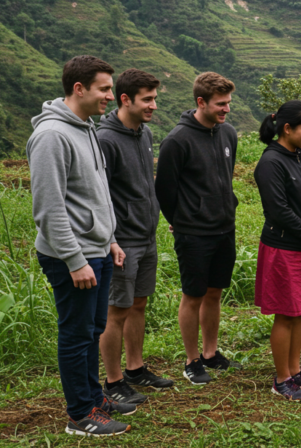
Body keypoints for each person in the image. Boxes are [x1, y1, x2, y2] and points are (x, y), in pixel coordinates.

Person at [28, 55, 134, 437]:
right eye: (105, 88)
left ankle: (94, 397)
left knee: (94, 328)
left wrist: (110, 239)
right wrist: (75, 260)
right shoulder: (51, 136)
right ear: (79, 88)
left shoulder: (86, 127)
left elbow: (96, 193)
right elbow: (49, 208)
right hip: (70, 254)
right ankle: (79, 414)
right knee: (76, 334)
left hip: (97, 248)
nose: (111, 95)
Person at [155, 72, 242, 385]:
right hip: (193, 232)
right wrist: (180, 221)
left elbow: (225, 177)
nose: (226, 110)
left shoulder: (227, 133)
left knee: (214, 293)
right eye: (220, 104)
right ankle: (191, 360)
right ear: (200, 102)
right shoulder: (177, 141)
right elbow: (165, 190)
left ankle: (210, 352)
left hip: (224, 227)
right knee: (193, 294)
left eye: (228, 103)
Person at [97, 69, 175, 406]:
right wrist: (112, 239)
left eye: (154, 98)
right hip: (122, 240)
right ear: (124, 99)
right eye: (147, 99)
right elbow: (100, 195)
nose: (154, 105)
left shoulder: (143, 134)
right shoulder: (106, 140)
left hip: (146, 234)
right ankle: (113, 380)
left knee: (139, 304)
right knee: (117, 310)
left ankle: (135, 368)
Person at [253, 100, 301, 401]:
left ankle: (295, 371)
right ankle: (281, 378)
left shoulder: (299, 156)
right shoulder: (271, 162)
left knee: (299, 313)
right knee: (285, 314)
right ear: (287, 129)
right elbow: (278, 211)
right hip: (284, 248)